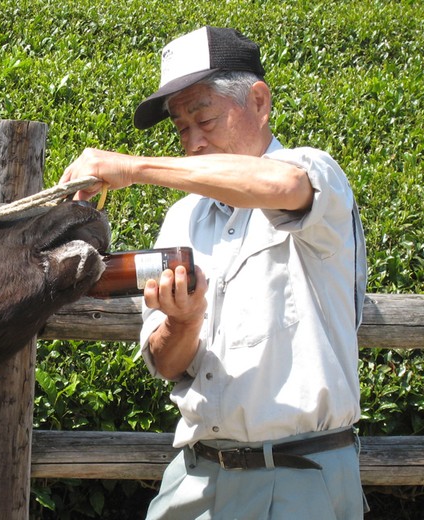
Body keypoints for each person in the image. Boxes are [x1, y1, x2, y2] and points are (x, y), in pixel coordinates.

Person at [60, 26, 368, 519]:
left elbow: (280, 183)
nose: (193, 140)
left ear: (260, 102)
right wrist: (183, 322)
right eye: (182, 128)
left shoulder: (312, 171)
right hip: (196, 475)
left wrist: (134, 167)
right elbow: (166, 364)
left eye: (204, 117)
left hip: (300, 480)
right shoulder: (181, 218)